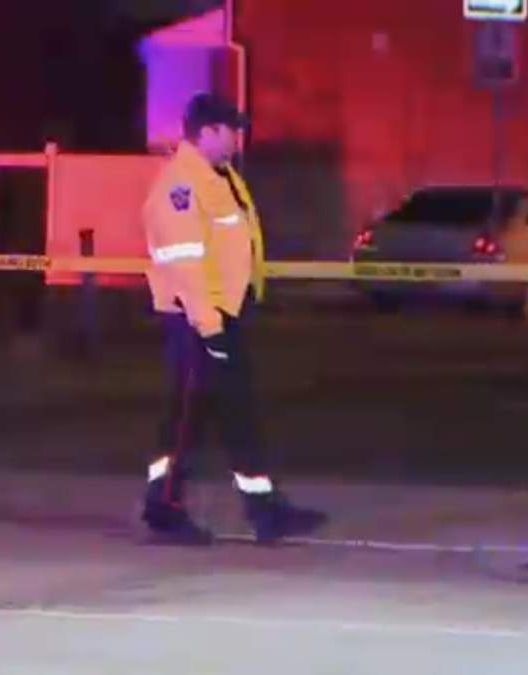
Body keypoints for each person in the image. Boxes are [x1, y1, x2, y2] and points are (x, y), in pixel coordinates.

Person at [139, 92, 328, 545]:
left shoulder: (220, 177)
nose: (236, 139)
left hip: (222, 314)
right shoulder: (181, 185)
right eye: (230, 131)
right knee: (186, 419)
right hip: (196, 320)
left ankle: (265, 509)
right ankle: (163, 507)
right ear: (207, 132)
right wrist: (210, 328)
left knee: (237, 411)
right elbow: (186, 265)